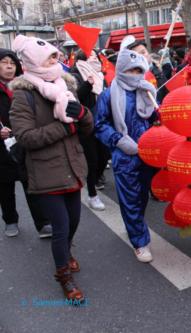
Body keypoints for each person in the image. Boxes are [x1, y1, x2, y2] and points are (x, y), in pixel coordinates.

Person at [10, 35, 94, 301]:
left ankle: (67, 253)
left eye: (56, 56)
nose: (55, 60)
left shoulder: (66, 83)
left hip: (72, 165)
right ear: (34, 62)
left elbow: (86, 128)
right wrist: (64, 127)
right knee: (60, 226)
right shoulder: (24, 94)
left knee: (74, 223)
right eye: (49, 57)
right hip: (46, 172)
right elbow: (25, 137)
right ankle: (64, 277)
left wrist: (82, 115)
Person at [94, 49, 157, 263]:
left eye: (139, 69)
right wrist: (119, 141)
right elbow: (100, 125)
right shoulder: (108, 95)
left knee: (141, 197)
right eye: (131, 69)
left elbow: (154, 118)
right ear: (121, 69)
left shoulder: (148, 92)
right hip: (125, 156)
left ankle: (135, 226)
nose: (135, 73)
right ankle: (140, 242)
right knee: (130, 200)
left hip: (150, 155)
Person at [0, 48, 52, 238]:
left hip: (24, 143)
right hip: (2, 149)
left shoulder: (24, 87)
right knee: (5, 188)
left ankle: (43, 223)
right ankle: (10, 220)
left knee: (32, 185)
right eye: (4, 62)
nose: (8, 67)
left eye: (12, 63)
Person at [70, 49, 109, 211]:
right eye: (91, 56)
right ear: (82, 59)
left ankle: (96, 178)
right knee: (92, 160)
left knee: (105, 156)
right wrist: (88, 84)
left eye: (96, 56)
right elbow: (75, 97)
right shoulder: (75, 75)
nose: (94, 58)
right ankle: (92, 195)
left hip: (102, 122)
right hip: (86, 124)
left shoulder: (101, 75)